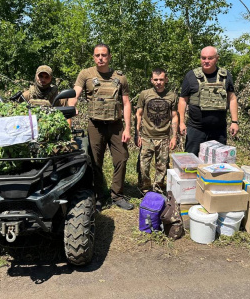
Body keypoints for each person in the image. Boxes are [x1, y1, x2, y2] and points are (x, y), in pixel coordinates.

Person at [68, 43, 134, 211]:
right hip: (95, 125)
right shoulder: (86, 74)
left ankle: (117, 195)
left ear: (109, 57)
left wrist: (127, 128)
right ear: (93, 57)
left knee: (122, 158)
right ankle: (100, 196)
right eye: (97, 55)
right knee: (95, 162)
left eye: (104, 55)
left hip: (116, 125)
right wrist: (70, 111)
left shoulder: (120, 77)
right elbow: (73, 95)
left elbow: (126, 104)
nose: (100, 58)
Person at [178, 46, 239, 156]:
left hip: (219, 129)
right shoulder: (191, 76)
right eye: (203, 58)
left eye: (210, 58)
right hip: (196, 129)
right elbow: (183, 99)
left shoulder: (225, 76)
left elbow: (232, 98)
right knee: (191, 163)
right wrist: (181, 122)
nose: (206, 61)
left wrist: (234, 122)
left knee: (217, 163)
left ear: (217, 58)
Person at [135, 68, 178, 193]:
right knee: (143, 166)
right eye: (155, 79)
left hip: (164, 137)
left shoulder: (172, 96)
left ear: (166, 80)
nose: (158, 82)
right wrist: (137, 133)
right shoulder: (145, 94)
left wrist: (174, 136)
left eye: (161, 79)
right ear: (151, 80)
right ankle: (145, 189)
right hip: (146, 136)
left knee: (162, 166)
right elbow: (138, 114)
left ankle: (158, 189)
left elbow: (174, 116)